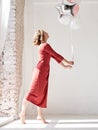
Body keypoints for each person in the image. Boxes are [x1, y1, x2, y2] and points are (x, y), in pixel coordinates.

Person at [19, 29, 74, 124]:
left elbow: (54, 57)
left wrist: (65, 66)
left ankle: (39, 115)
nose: (48, 32)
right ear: (43, 36)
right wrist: (68, 62)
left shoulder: (44, 46)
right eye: (45, 32)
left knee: (42, 93)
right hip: (40, 71)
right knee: (32, 92)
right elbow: (56, 55)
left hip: (44, 71)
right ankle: (22, 113)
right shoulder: (45, 45)